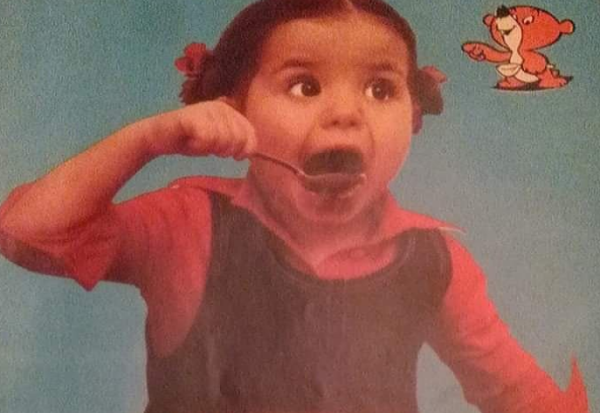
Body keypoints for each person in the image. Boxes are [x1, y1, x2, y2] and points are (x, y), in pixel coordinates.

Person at [0, 0, 589, 412]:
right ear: (234, 108)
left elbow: (523, 397)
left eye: (380, 89)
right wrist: (148, 139)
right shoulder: (189, 225)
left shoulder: (435, 261)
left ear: (413, 116)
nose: (346, 114)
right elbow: (28, 233)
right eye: (305, 85)